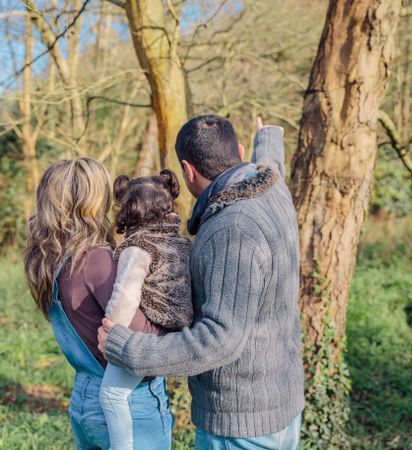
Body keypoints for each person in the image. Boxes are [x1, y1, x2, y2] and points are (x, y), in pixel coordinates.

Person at [99, 116, 305, 450]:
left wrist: (128, 349)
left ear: (187, 170)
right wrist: (268, 136)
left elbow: (219, 340)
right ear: (239, 151)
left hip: (240, 427)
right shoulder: (273, 187)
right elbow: (270, 164)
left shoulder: (231, 228)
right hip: (283, 410)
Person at [24, 157, 173, 450]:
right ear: (93, 202)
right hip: (129, 403)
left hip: (85, 395)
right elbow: (141, 339)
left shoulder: (50, 260)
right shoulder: (96, 260)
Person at [99, 169, 193, 450]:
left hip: (149, 336)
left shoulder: (137, 248)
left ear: (129, 212)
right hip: (179, 333)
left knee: (112, 394)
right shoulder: (181, 243)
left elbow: (126, 294)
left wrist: (111, 330)